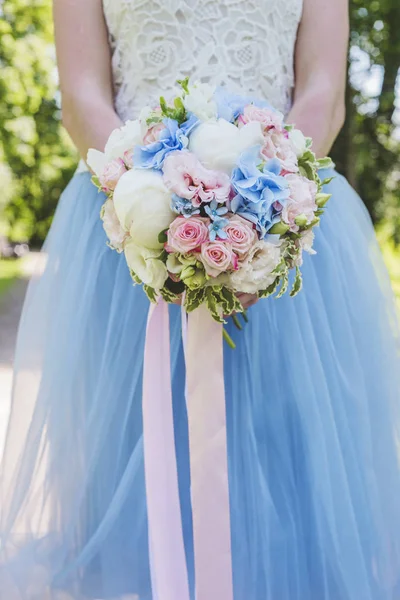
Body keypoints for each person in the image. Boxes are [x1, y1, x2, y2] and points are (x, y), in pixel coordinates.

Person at [1, 0, 400, 598]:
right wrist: (152, 206)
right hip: (124, 223)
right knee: (131, 461)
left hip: (286, 214)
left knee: (286, 463)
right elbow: (82, 91)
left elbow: (323, 91)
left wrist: (262, 212)